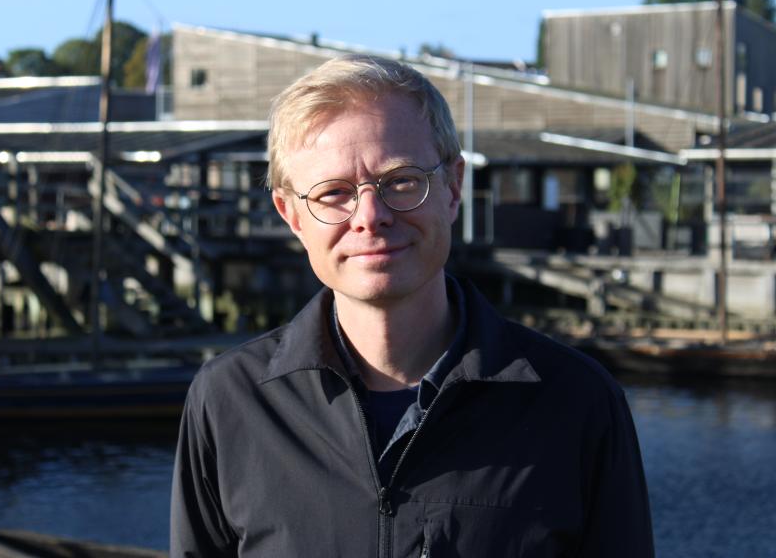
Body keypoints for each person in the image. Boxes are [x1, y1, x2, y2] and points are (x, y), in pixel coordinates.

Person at [170, 54, 654, 557]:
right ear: (291, 215)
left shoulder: (577, 403)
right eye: (334, 193)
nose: (371, 216)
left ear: (453, 188)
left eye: (401, 180)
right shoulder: (229, 403)